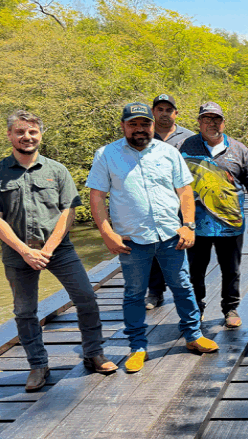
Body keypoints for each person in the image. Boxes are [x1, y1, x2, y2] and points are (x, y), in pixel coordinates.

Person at [0, 110, 116, 391]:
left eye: (32, 132)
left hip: (59, 249)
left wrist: (48, 249)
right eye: (20, 132)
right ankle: (38, 365)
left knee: (86, 297)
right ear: (9, 135)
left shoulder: (57, 170)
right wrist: (25, 250)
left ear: (40, 135)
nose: (26, 137)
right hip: (17, 253)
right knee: (25, 311)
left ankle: (93, 354)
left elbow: (69, 210)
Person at [87, 102, 219, 374]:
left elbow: (184, 191)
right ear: (123, 126)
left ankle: (193, 336)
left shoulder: (169, 152)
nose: (139, 129)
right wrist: (107, 232)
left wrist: (189, 225)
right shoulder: (106, 155)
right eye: (133, 124)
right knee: (134, 294)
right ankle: (138, 347)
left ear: (152, 124)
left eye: (144, 123)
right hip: (132, 239)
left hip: (171, 235)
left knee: (183, 286)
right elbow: (97, 197)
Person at [179, 101, 248, 328]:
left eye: (216, 119)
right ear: (199, 123)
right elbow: (177, 183)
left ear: (223, 123)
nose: (212, 123)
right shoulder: (186, 147)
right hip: (196, 223)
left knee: (231, 269)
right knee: (195, 269)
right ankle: (197, 308)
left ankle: (230, 308)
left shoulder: (239, 149)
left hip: (230, 223)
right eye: (207, 119)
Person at [145, 94, 195, 310]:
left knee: (189, 246)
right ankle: (155, 292)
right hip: (155, 202)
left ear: (176, 113)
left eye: (168, 109)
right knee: (154, 247)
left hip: (185, 200)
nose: (164, 113)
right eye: (160, 109)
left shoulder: (190, 138)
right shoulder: (143, 135)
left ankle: (190, 293)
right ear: (153, 112)